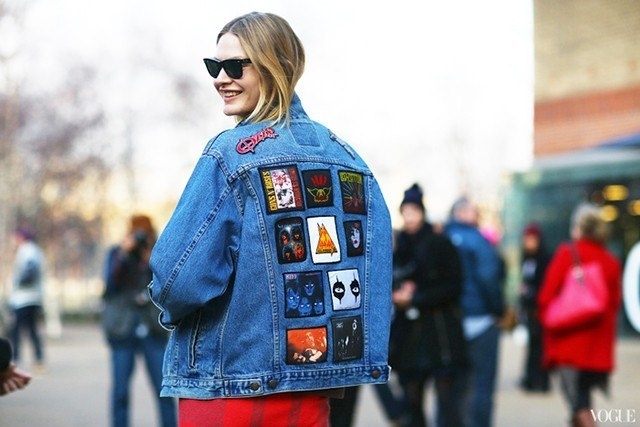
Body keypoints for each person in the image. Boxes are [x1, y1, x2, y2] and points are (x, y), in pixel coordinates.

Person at [148, 11, 393, 427]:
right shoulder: (351, 160)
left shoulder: (229, 155)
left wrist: (167, 308)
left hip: (229, 389)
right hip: (312, 391)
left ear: (276, 65)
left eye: (235, 66)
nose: (220, 79)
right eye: (213, 66)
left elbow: (178, 279)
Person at [538, 203, 622, 427]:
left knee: (579, 406)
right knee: (583, 402)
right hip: (597, 349)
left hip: (569, 346)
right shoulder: (610, 261)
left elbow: (546, 296)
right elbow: (614, 304)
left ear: (579, 228)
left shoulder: (568, 254)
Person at [390, 184, 467, 427]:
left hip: (439, 334)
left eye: (413, 211)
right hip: (409, 338)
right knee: (412, 403)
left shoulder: (439, 243)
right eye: (405, 212)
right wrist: (398, 293)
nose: (409, 217)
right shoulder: (398, 247)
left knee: (447, 403)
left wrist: (416, 297)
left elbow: (453, 286)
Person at [101, 214, 177, 427]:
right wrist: (124, 254)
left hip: (153, 328)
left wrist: (149, 260)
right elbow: (109, 286)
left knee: (163, 390)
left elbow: (169, 285)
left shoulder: (158, 253)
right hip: (122, 329)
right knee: (120, 391)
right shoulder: (117, 253)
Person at [444, 197, 505, 427]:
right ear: (462, 213)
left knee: (452, 385)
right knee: (482, 384)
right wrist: (498, 310)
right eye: (474, 210)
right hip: (481, 320)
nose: (477, 214)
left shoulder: (442, 239)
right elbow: (488, 278)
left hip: (451, 321)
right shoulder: (478, 241)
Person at [517, 222, 551, 393]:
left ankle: (542, 380)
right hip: (530, 309)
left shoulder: (544, 259)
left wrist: (531, 293)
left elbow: (546, 285)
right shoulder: (526, 258)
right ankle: (531, 379)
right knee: (532, 345)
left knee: (541, 346)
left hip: (541, 309)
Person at [8, 227, 46, 374]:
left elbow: (30, 270)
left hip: (24, 298)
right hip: (32, 297)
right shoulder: (34, 250)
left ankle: (14, 361)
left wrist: (20, 281)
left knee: (17, 330)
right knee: (32, 330)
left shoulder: (28, 250)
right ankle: (38, 360)